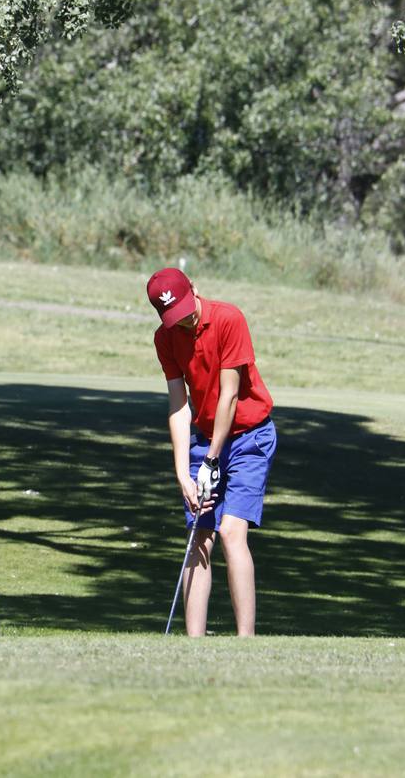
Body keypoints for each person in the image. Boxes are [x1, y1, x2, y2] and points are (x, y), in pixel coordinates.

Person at [146, 267, 277, 637]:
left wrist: (210, 458)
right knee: (200, 533)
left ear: (195, 289)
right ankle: (194, 644)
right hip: (204, 438)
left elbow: (230, 395)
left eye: (186, 309)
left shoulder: (228, 319)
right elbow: (178, 405)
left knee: (232, 532)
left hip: (249, 436)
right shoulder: (166, 338)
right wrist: (182, 474)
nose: (184, 320)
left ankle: (245, 642)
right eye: (174, 316)